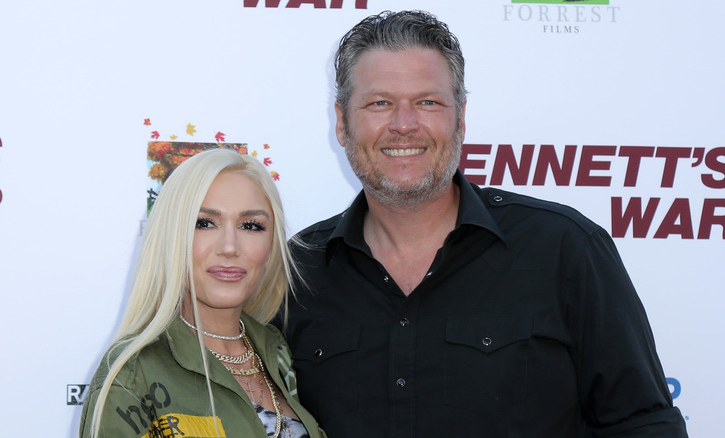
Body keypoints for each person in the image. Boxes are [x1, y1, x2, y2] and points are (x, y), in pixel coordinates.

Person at [279, 10, 688, 438]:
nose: (404, 125)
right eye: (380, 103)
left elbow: (643, 425)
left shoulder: (565, 249)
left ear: (461, 115)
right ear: (343, 122)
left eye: (428, 102)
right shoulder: (296, 273)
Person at [80, 148, 326, 438]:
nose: (230, 247)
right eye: (204, 223)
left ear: (271, 244)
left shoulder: (278, 352)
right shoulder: (133, 372)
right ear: (172, 237)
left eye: (251, 226)